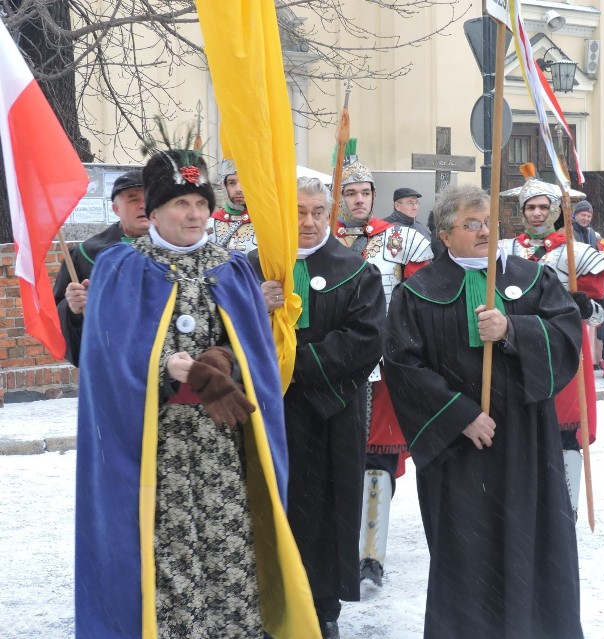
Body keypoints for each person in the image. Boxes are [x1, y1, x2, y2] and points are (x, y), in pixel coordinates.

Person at [74, 150, 317, 638]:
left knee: (230, 545)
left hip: (222, 444)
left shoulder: (232, 268)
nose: (195, 214)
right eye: (181, 203)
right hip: (153, 448)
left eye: (201, 203)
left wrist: (222, 361)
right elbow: (105, 360)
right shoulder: (120, 267)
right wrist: (164, 368)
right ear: (156, 210)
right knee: (167, 549)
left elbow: (256, 354)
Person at [383, 184, 584, 639]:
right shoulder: (417, 292)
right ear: (444, 234)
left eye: (490, 223)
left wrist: (514, 328)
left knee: (532, 541)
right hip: (459, 449)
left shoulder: (533, 278)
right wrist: (459, 415)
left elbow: (568, 337)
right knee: (465, 554)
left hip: (525, 440)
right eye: (471, 224)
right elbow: (401, 364)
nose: (484, 232)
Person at [256, 178, 385, 639]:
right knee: (271, 510)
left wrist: (293, 365)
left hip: (330, 413)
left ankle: (320, 606)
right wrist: (256, 305)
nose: (308, 222)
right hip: (265, 413)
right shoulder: (255, 269)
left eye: (316, 212)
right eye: (297, 212)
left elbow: (365, 340)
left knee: (324, 512)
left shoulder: (356, 271)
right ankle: (267, 602)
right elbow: (224, 330)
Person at [333, 152, 433, 588]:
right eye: (350, 193)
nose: (358, 200)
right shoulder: (321, 237)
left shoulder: (402, 240)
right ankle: (337, 544)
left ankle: (371, 553)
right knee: (337, 456)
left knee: (379, 455)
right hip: (334, 363)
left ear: (374, 196)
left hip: (384, 364)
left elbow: (420, 301)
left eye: (364, 193)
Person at [499, 172, 604, 517]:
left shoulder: (578, 253)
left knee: (565, 430)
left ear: (557, 210)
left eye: (543, 207)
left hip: (563, 349)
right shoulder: (502, 251)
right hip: (515, 346)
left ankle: (567, 504)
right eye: (530, 207)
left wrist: (585, 306)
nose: (536, 213)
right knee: (519, 428)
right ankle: (525, 501)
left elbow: (600, 315)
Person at [53, 169, 148, 365]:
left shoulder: (176, 249)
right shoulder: (85, 255)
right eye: (132, 199)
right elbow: (59, 312)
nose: (143, 205)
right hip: (110, 364)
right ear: (115, 209)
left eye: (149, 197)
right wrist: (73, 308)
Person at [208, 159, 258, 256]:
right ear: (224, 186)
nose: (239, 189)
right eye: (232, 183)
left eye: (244, 182)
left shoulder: (264, 225)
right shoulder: (210, 223)